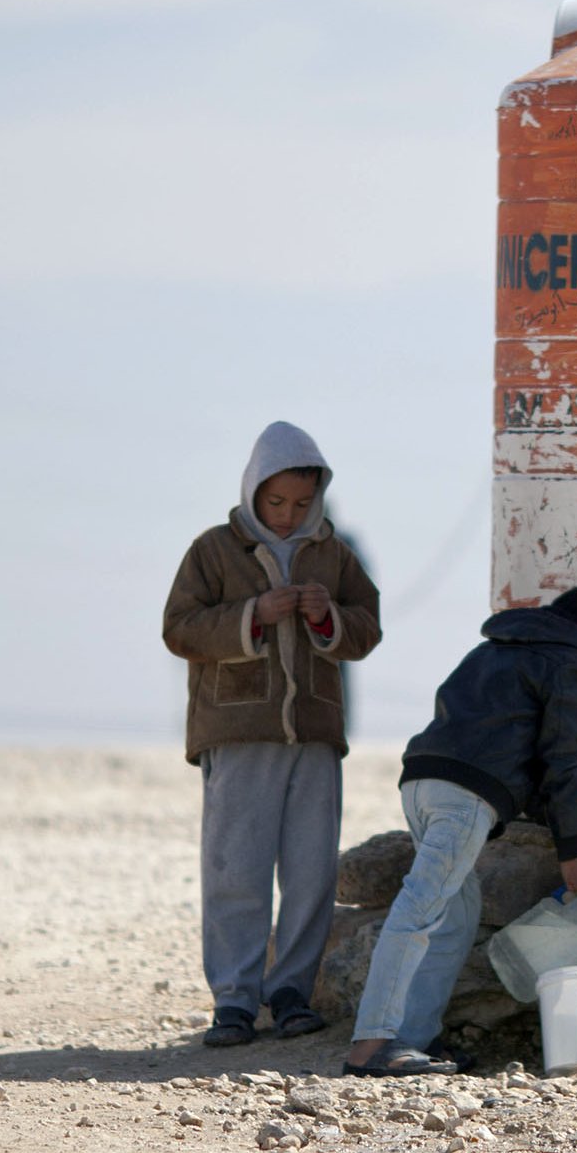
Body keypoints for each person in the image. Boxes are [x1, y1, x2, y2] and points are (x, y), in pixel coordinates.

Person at [343, 586, 577, 1077]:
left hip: (422, 781)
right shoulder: (572, 659)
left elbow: (511, 749)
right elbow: (561, 760)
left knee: (457, 912)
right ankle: (371, 1047)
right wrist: (574, 851)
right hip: (463, 797)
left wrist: (575, 826)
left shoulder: (495, 646)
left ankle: (414, 1038)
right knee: (420, 910)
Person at [163, 421, 381, 1047]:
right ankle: (234, 999)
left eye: (302, 504)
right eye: (276, 502)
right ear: (254, 492)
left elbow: (366, 630)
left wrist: (327, 617)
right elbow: (179, 629)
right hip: (237, 735)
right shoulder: (212, 551)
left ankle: (291, 993)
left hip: (313, 735)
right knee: (237, 869)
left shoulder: (335, 555)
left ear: (319, 499)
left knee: (312, 872)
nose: (288, 516)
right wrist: (252, 615)